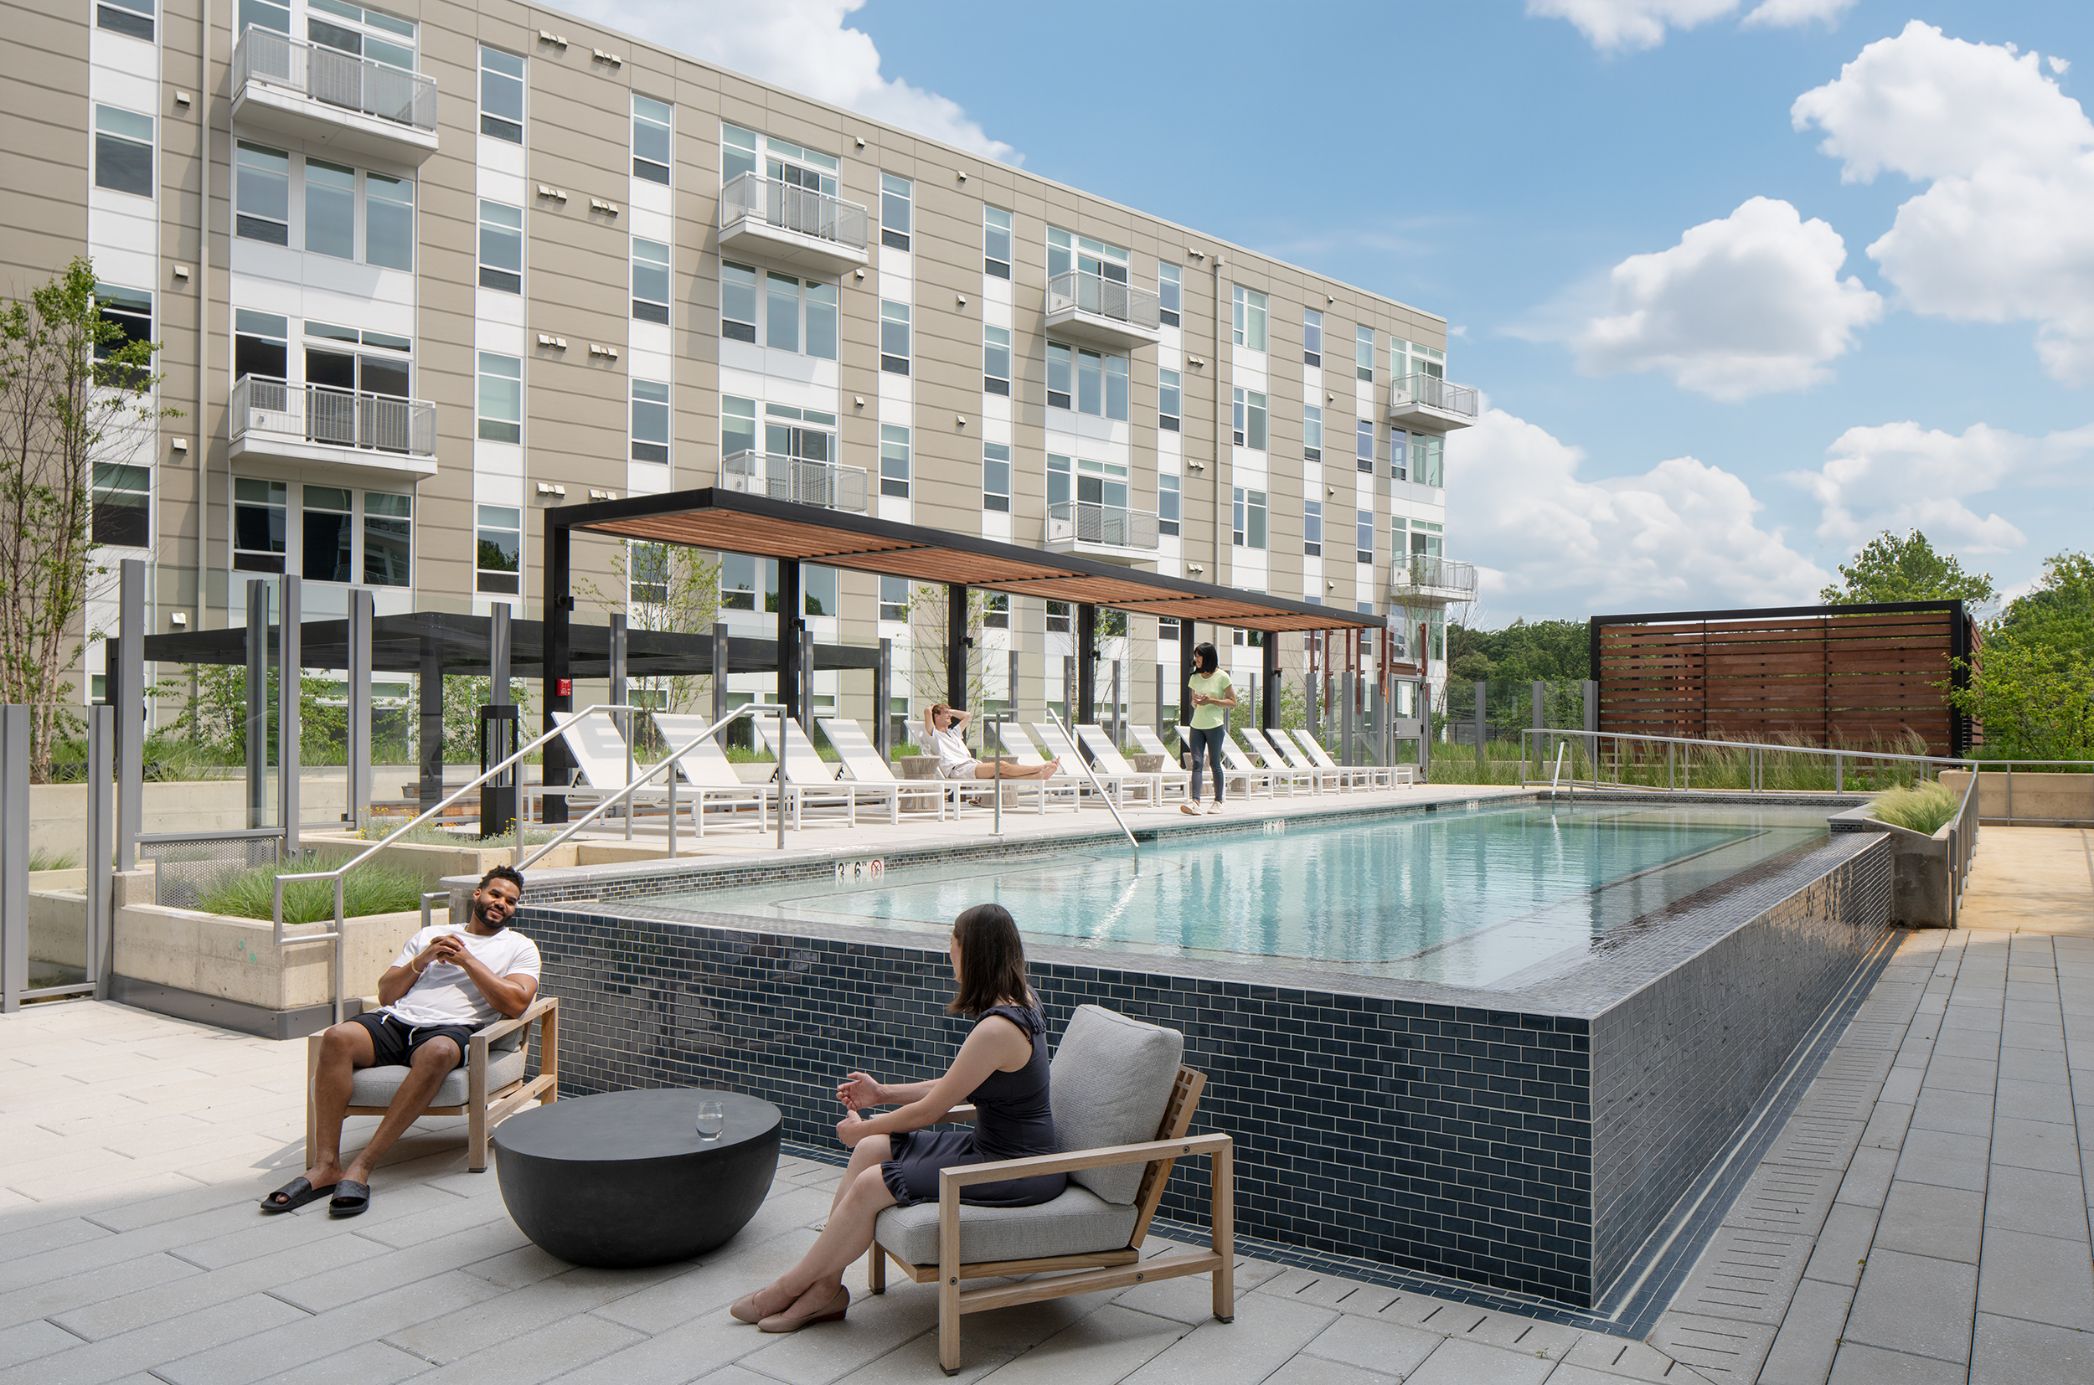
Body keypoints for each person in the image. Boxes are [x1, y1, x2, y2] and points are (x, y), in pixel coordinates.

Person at [730, 903, 1065, 1333]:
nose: (949, 952)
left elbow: (931, 1111)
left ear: (975, 953)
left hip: (1017, 1166)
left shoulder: (996, 1029)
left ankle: (784, 1288)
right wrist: (881, 1094)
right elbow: (954, 1084)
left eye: (953, 942)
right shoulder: (1019, 1002)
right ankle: (824, 1291)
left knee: (874, 1177)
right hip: (994, 1148)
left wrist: (859, 1128)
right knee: (873, 1151)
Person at [260, 865, 541, 1219]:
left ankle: (362, 1165)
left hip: (451, 1028)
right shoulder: (431, 933)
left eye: (511, 901)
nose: (501, 903)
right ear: (477, 894)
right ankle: (326, 1165)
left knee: (438, 1052)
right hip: (398, 1020)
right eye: (495, 894)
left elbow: (515, 1004)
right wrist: (422, 960)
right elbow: (387, 994)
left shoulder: (519, 947)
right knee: (336, 1037)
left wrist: (468, 960)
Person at [922, 703, 1061, 781]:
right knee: (1002, 766)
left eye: (949, 713)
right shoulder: (934, 735)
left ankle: (1038, 776)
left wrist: (948, 710)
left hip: (972, 765)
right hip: (959, 769)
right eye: (945, 713)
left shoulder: (954, 733)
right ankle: (1040, 767)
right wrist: (932, 709)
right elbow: (927, 711)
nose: (949, 716)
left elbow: (967, 715)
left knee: (1003, 775)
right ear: (936, 716)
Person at [1183, 641, 1236, 815]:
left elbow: (1233, 702)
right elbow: (1193, 702)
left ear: (1208, 657)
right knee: (1197, 762)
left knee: (1214, 763)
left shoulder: (1222, 676)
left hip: (1214, 726)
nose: (1196, 659)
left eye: (1199, 655)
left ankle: (1218, 801)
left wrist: (1211, 700)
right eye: (1195, 656)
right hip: (1196, 725)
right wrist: (1196, 701)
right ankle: (1195, 802)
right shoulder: (1194, 677)